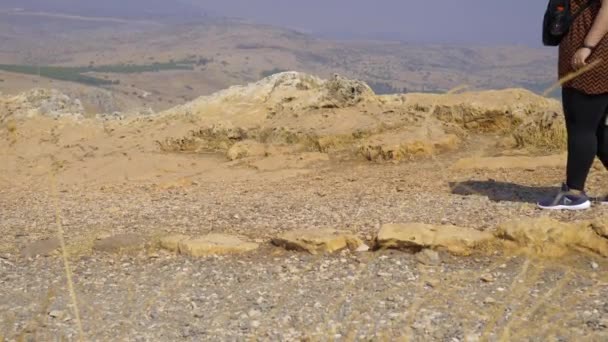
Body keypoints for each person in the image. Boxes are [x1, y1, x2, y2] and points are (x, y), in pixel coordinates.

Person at [538, 0, 608, 210]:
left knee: (581, 127)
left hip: (592, 57)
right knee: (594, 128)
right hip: (592, 56)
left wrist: (587, 46)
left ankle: (574, 194)